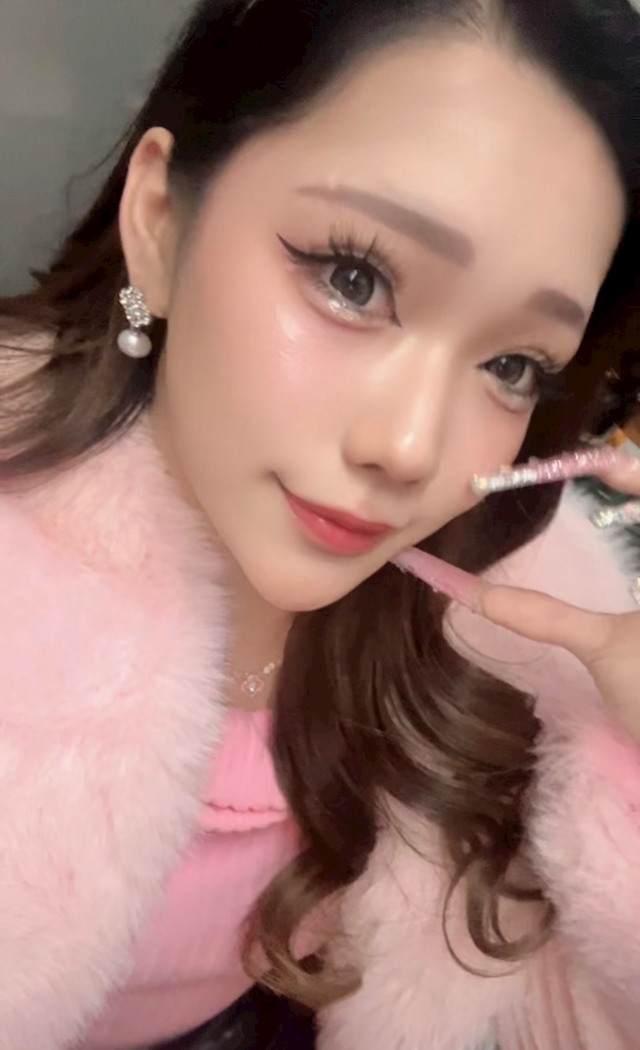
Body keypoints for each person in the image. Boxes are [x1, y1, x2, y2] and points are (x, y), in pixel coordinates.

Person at [1, 0, 640, 1047]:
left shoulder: (522, 643)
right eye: (354, 278)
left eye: (512, 363)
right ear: (160, 221)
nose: (410, 448)